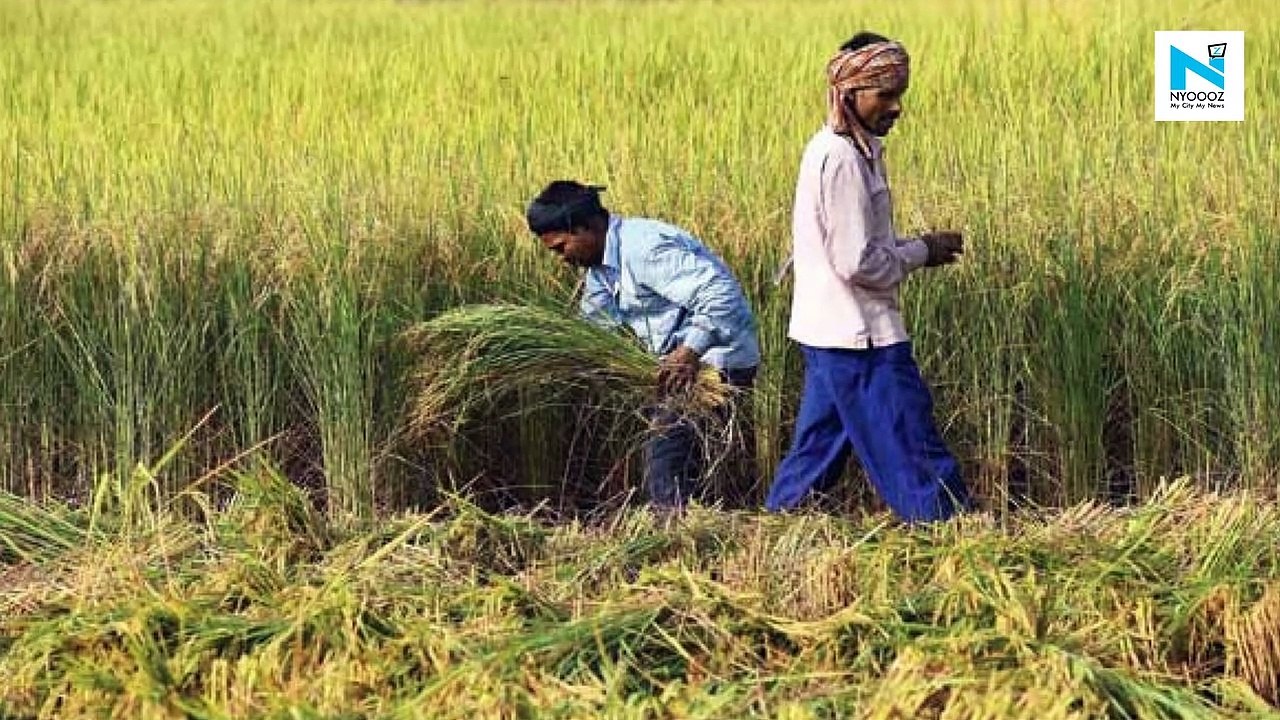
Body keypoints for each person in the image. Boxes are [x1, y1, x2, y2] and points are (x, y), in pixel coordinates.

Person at [764, 32, 971, 522]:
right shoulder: (840, 158)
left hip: (830, 330)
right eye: (885, 94)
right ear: (850, 93)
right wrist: (921, 252)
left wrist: (920, 247)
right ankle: (952, 535)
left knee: (819, 448)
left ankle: (777, 526)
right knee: (908, 437)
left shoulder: (854, 148)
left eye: (901, 93)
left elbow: (860, 247)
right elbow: (857, 262)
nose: (896, 106)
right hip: (860, 335)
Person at [526, 180, 761, 510]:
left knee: (664, 457)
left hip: (715, 364)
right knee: (674, 457)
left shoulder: (644, 249)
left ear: (587, 227)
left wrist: (688, 352)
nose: (561, 258)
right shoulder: (600, 270)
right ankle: (696, 526)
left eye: (561, 247)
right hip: (677, 368)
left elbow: (721, 294)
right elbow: (593, 328)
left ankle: (676, 541)